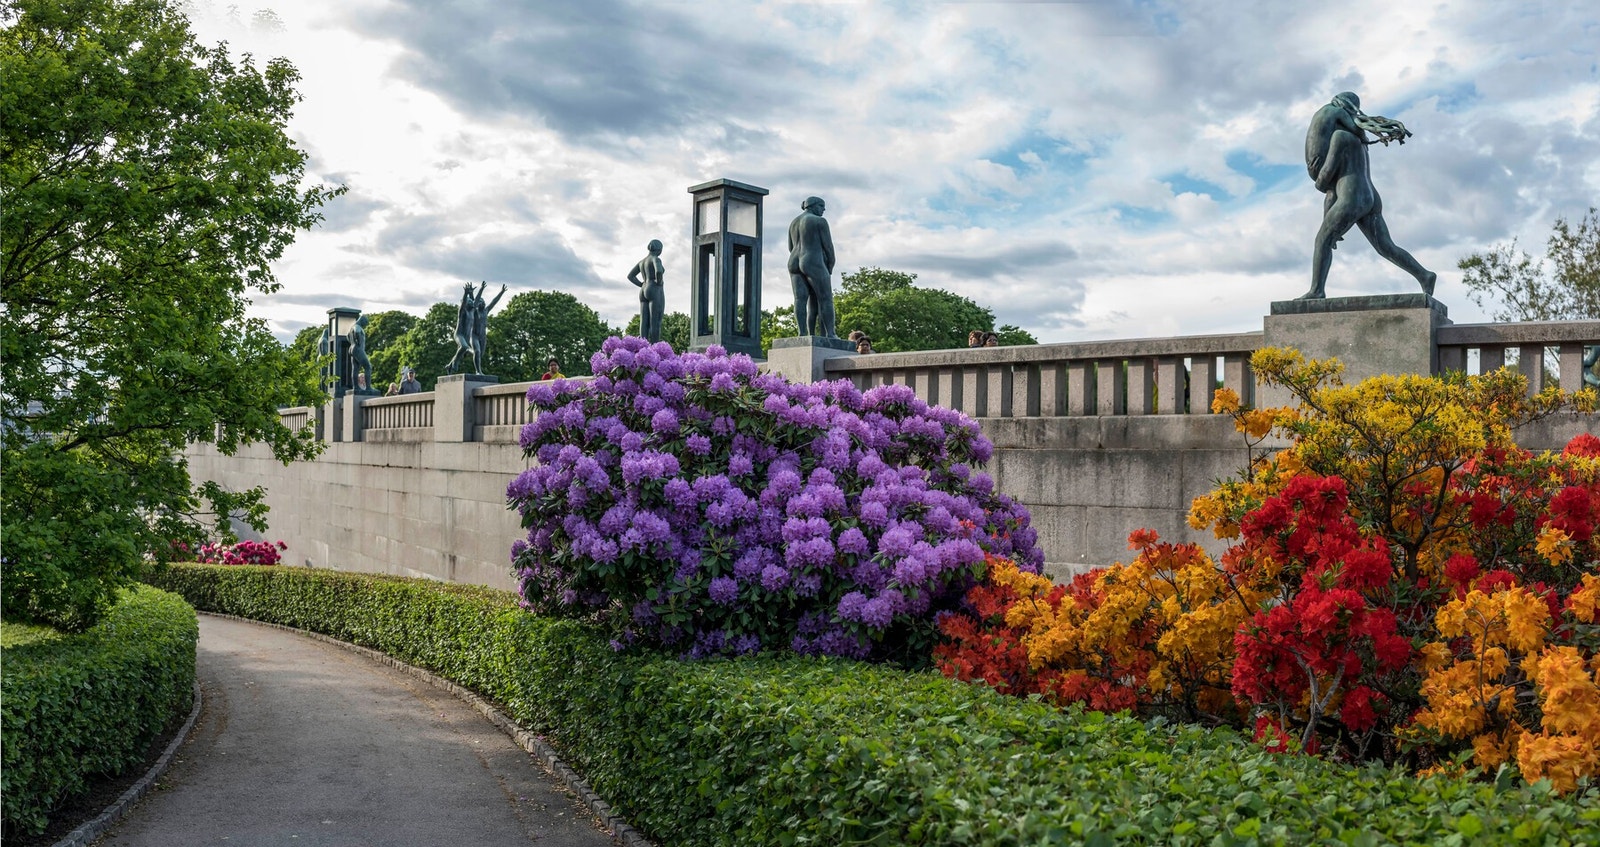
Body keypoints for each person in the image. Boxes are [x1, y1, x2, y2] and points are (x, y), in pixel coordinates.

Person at [1301, 91, 1436, 300]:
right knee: (1386, 246)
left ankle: (1317, 290)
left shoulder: (1339, 137)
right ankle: (1424, 275)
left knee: (1322, 241)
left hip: (1351, 196)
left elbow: (1326, 177)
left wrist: (1317, 179)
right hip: (1370, 196)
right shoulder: (1360, 143)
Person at [787, 196, 837, 338]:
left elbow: (790, 247)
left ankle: (802, 333)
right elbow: (828, 246)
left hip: (793, 261)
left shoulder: (794, 222)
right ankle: (831, 334)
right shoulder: (819, 221)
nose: (824, 209)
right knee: (825, 298)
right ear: (814, 206)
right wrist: (830, 265)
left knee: (799, 299)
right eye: (822, 206)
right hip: (812, 259)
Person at [628, 239, 666, 343]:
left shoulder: (642, 262)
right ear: (659, 250)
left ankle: (642, 346)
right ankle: (655, 348)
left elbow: (630, 276)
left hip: (643, 289)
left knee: (644, 321)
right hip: (654, 288)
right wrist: (659, 282)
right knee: (655, 321)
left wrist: (641, 284)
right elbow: (658, 271)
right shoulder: (656, 259)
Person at [471, 281, 507, 372]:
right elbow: (474, 300)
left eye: (482, 302)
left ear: (484, 303)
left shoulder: (486, 311)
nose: (480, 303)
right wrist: (481, 289)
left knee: (481, 354)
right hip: (474, 335)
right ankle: (478, 371)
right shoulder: (475, 311)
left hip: (483, 336)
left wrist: (501, 292)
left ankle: (469, 351)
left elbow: (494, 301)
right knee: (477, 352)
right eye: (479, 302)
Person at [444, 283, 479, 374]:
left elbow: (475, 301)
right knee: (464, 347)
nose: (472, 302)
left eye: (472, 301)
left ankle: (449, 366)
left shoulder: (472, 311)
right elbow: (463, 303)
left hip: (466, 336)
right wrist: (466, 294)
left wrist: (472, 293)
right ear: (466, 304)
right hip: (459, 334)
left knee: (459, 352)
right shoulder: (463, 312)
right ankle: (455, 362)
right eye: (469, 301)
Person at [348, 314, 373, 391]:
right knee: (368, 367)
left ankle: (355, 387)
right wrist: (358, 342)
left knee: (355, 368)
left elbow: (347, 336)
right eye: (365, 323)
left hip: (352, 348)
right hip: (358, 348)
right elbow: (357, 331)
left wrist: (353, 343)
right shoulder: (357, 326)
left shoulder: (351, 327)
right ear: (362, 320)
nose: (364, 326)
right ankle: (368, 388)